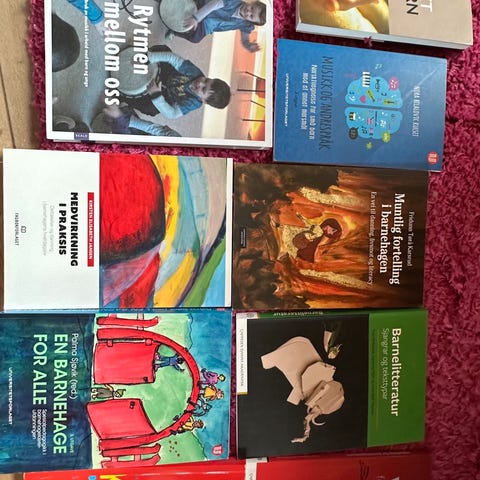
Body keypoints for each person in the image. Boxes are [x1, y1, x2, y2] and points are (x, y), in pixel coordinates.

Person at [122, 47, 231, 119]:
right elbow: (173, 58)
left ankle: (122, 96)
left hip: (167, 95)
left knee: (151, 110)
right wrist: (149, 58)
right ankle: (145, 53)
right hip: (168, 74)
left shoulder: (193, 103)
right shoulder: (195, 72)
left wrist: (157, 96)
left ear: (204, 101)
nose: (200, 83)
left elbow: (172, 114)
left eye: (203, 89)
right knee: (164, 50)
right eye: (206, 80)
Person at [166, 0, 266, 52]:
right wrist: (196, 18)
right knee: (192, 5)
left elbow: (244, 40)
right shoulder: (234, 1)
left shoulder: (246, 25)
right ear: (252, 2)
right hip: (205, 7)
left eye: (251, 16)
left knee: (195, 38)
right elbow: (213, 4)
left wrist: (248, 45)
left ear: (252, 22)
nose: (248, 12)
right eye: (252, 8)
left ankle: (175, 31)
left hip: (208, 25)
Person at [102, 104, 182, 137]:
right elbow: (152, 128)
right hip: (144, 135)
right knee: (125, 111)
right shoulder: (176, 139)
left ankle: (115, 121)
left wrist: (119, 118)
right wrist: (127, 120)